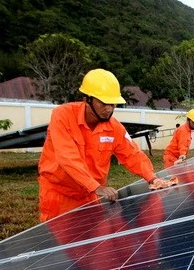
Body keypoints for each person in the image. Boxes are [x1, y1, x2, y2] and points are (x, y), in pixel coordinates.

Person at [38, 68, 175, 222]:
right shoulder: (62, 116)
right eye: (103, 103)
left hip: (90, 195)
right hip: (60, 196)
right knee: (62, 244)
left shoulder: (114, 127)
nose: (109, 109)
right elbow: (67, 157)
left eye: (112, 104)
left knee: (95, 242)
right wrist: (97, 187)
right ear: (87, 99)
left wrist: (152, 178)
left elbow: (132, 154)